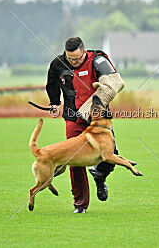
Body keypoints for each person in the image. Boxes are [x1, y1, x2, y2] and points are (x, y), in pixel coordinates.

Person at [45, 37, 125, 213]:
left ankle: (100, 175)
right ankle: (80, 204)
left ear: (84, 52)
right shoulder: (58, 64)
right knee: (75, 159)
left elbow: (114, 82)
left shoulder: (98, 60)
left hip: (98, 116)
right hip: (73, 117)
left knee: (110, 157)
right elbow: (52, 83)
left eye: (77, 59)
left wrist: (93, 104)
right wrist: (53, 102)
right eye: (70, 59)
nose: (73, 62)